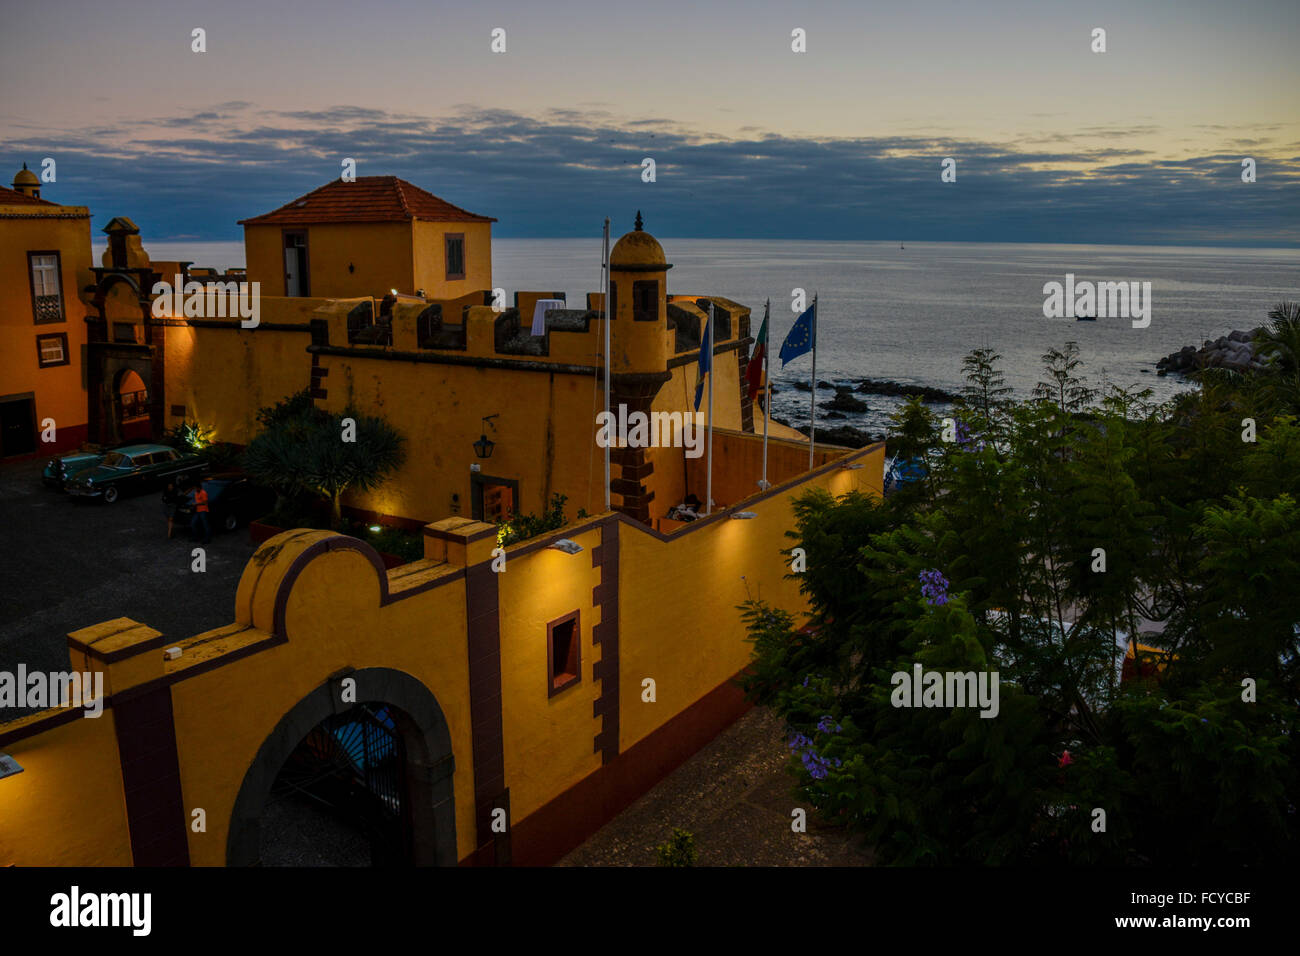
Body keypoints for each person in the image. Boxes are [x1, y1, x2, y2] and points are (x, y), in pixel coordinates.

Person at [190, 479, 212, 545]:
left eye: (195, 488)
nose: (195, 489)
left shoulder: (203, 493)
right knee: (193, 523)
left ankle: (207, 539)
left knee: (205, 525)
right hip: (198, 511)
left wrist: (196, 504)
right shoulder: (196, 493)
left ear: (199, 487)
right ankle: (196, 537)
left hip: (203, 511)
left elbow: (205, 502)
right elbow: (197, 501)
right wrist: (194, 505)